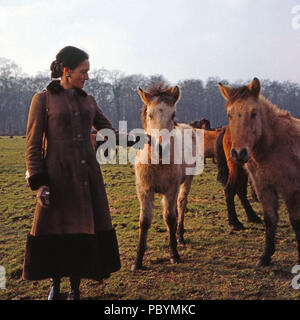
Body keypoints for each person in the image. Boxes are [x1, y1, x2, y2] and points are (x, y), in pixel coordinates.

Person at [23, 46, 123, 300]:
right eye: (83, 71)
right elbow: (33, 144)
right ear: (67, 70)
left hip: (87, 179)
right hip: (56, 178)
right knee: (57, 230)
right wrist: (39, 183)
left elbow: (109, 132)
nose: (87, 77)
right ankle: (55, 285)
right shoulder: (43, 99)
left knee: (82, 230)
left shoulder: (88, 101)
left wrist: (144, 139)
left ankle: (75, 288)